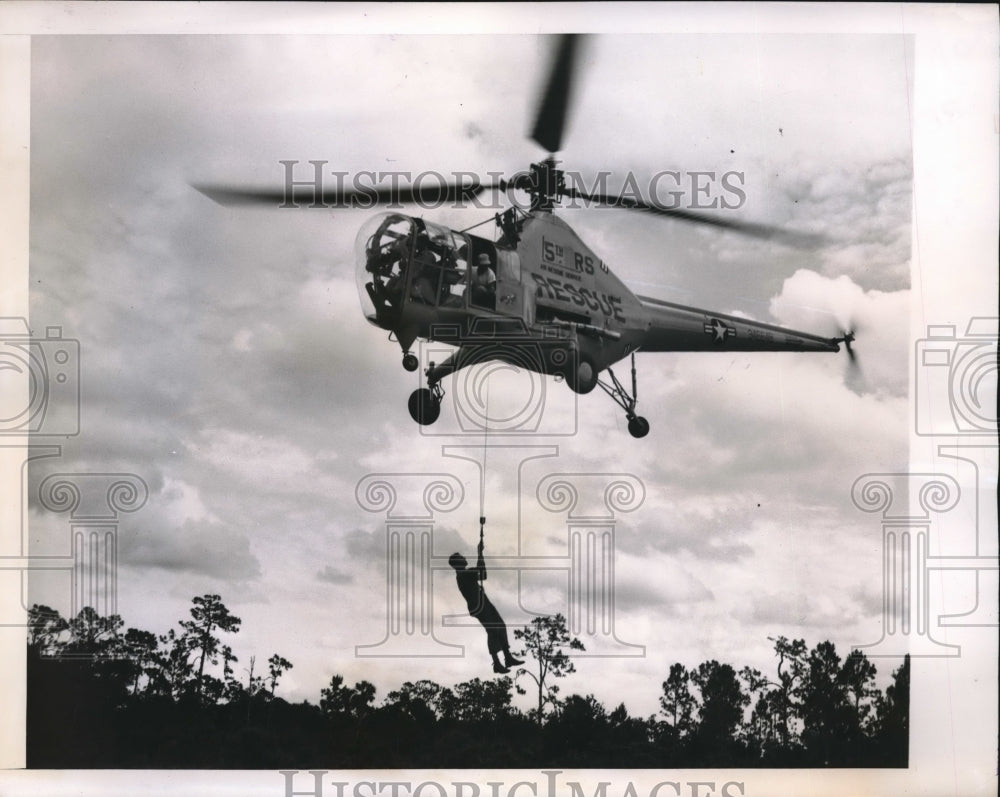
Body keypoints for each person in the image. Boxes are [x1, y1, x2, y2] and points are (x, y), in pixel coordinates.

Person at [449, 541, 523, 674]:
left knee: (500, 625)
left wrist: (480, 554)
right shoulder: (462, 575)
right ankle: (497, 663)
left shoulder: (465, 573)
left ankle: (507, 657)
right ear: (457, 563)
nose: (465, 558)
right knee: (493, 630)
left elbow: (483, 575)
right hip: (479, 606)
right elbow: (481, 572)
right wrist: (479, 553)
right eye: (461, 558)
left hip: (483, 602)